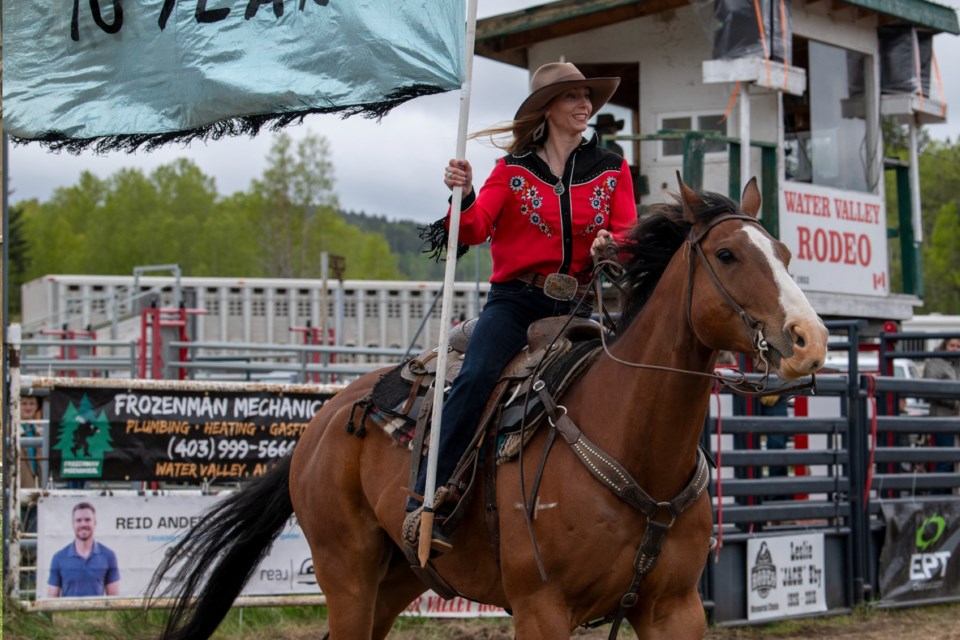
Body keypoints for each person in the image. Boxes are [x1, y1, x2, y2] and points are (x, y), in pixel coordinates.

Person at [409, 62, 637, 548]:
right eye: (572, 96)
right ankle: (428, 498)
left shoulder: (613, 168)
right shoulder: (511, 171)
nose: (585, 105)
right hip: (515, 302)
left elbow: (629, 235)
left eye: (587, 96)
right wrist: (463, 193)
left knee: (625, 381)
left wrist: (610, 246)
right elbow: (471, 229)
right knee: (474, 379)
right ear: (548, 108)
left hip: (578, 306)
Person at [47, 502, 120, 597]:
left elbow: (114, 602)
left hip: (98, 612)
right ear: (73, 524)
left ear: (95, 523)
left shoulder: (108, 556)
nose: (83, 524)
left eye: (87, 520)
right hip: (68, 612)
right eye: (78, 520)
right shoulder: (59, 558)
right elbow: (51, 602)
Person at [922, 337, 960, 489]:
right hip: (942, 419)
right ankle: (936, 502)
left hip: (956, 419)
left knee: (953, 463)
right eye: (952, 345)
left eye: (958, 346)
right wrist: (954, 400)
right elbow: (928, 391)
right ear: (944, 345)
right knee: (946, 462)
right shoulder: (934, 363)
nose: (955, 348)